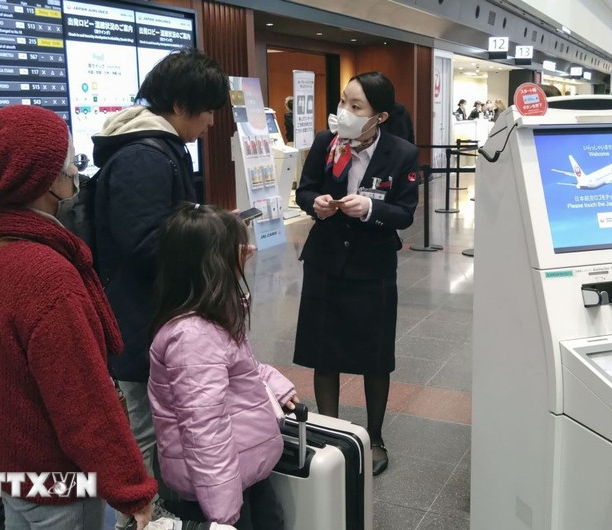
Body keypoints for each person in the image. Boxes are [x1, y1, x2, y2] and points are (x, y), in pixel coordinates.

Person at [0, 105, 157, 530]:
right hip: (57, 482)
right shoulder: (46, 275)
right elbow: (82, 402)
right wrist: (130, 488)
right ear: (45, 180)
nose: (76, 175)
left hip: (11, 468)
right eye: (72, 164)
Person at [91, 48, 230, 530]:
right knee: (144, 427)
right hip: (138, 319)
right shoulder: (142, 157)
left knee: (154, 420)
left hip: (153, 317)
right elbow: (145, 244)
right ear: (179, 103)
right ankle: (146, 517)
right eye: (208, 109)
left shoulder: (161, 148)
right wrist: (213, 240)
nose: (211, 121)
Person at [294, 72, 420, 476]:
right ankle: (329, 432)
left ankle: (375, 437)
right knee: (324, 352)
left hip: (373, 267)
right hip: (325, 262)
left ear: (378, 116)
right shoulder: (324, 144)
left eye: (355, 106)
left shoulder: (400, 154)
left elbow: (404, 212)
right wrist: (319, 202)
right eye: (343, 102)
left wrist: (369, 209)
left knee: (374, 357)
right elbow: (304, 190)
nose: (343, 112)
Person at [149, 204, 297, 528]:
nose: (249, 253)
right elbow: (206, 432)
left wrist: (273, 383)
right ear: (212, 264)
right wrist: (223, 518)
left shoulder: (211, 318)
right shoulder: (192, 337)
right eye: (237, 249)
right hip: (218, 492)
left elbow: (240, 367)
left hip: (241, 472)